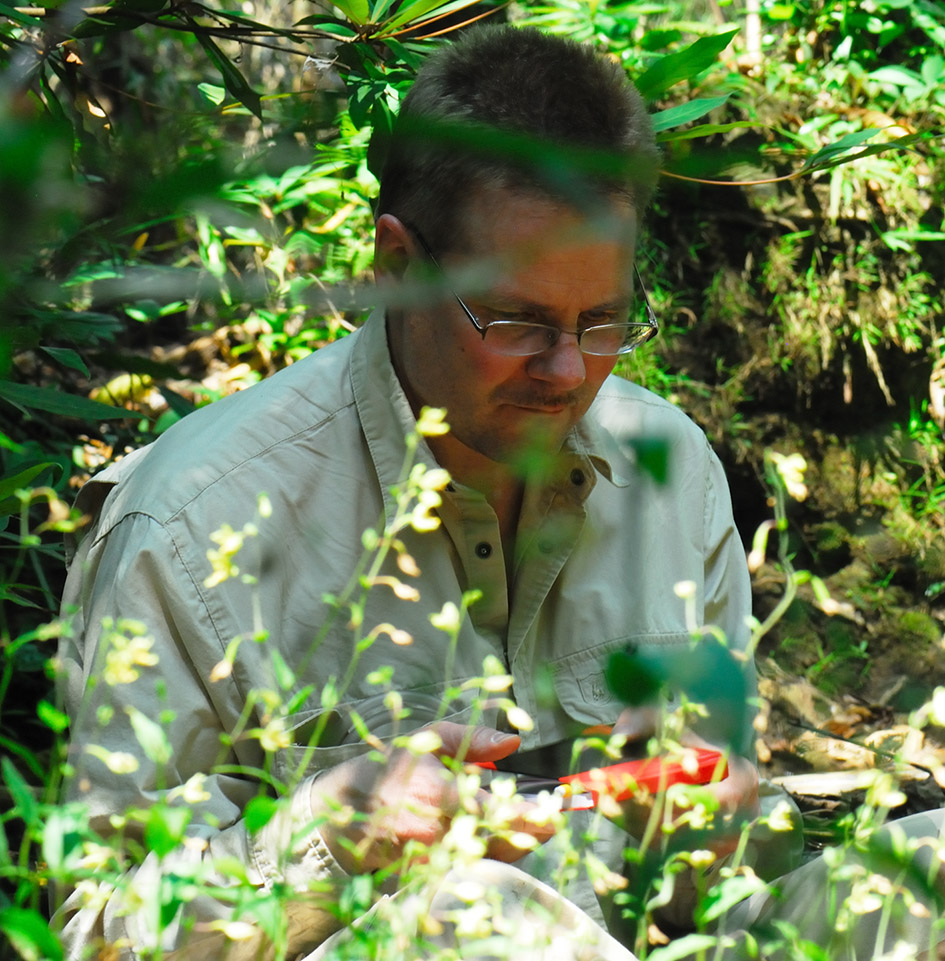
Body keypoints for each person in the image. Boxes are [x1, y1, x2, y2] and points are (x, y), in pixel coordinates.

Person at [55, 24, 945, 961]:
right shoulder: (193, 520)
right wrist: (322, 837)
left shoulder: (670, 470)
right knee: (475, 918)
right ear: (395, 264)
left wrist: (706, 826)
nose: (568, 370)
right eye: (516, 318)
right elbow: (98, 935)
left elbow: (716, 889)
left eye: (603, 320)